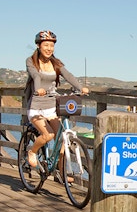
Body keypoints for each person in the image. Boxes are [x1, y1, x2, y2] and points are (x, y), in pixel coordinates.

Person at [24, 30, 89, 168]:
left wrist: (81, 87)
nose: (49, 48)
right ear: (38, 46)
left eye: (51, 46)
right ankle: (32, 151)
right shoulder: (31, 61)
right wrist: (38, 89)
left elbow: (68, 75)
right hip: (36, 106)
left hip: (52, 106)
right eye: (46, 45)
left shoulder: (55, 63)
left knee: (62, 138)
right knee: (48, 135)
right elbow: (35, 75)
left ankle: (62, 171)